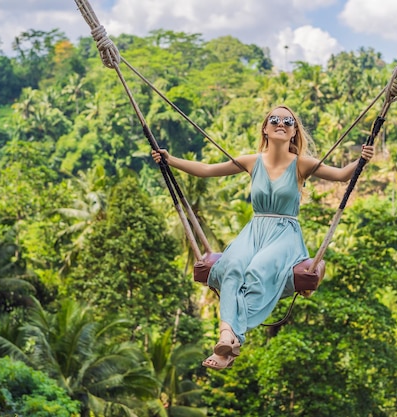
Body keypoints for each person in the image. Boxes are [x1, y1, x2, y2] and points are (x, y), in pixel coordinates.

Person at [152, 105, 374, 370]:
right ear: (265, 128)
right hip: (255, 230)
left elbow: (340, 176)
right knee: (232, 267)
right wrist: (170, 160)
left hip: (284, 234)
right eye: (275, 119)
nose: (281, 123)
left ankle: (230, 337)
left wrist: (362, 160)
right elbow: (206, 169)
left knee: (258, 270)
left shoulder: (302, 164)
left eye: (288, 121)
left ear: (294, 132)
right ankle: (227, 336)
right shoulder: (252, 161)